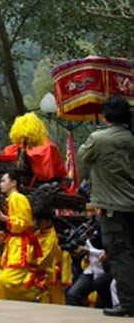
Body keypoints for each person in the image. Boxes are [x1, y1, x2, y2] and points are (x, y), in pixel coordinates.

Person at [78, 95, 134, 317]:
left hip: (113, 208)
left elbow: (84, 157)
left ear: (105, 115)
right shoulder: (131, 138)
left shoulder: (98, 139)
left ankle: (129, 303)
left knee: (120, 256)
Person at [0, 170, 40, 302]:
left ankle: (33, 295)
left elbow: (24, 224)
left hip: (20, 245)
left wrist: (4, 218)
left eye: (3, 181)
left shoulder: (19, 198)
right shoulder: (10, 199)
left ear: (13, 183)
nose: (0, 184)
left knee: (5, 281)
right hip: (12, 244)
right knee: (2, 282)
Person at [29, 210, 63, 304]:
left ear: (49, 221)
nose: (38, 223)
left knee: (54, 303)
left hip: (49, 274)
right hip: (39, 273)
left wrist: (27, 261)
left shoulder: (52, 238)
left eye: (40, 221)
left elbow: (42, 261)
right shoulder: (39, 233)